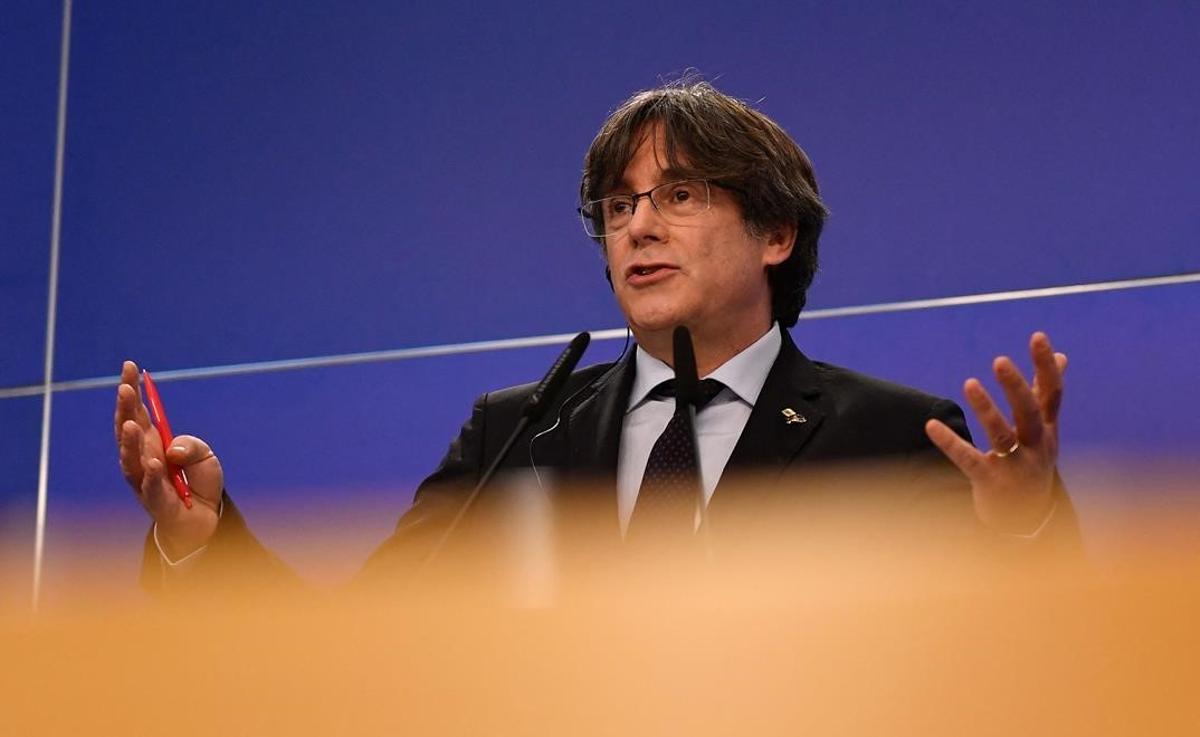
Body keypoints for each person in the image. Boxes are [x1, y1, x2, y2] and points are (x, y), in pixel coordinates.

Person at [115, 80, 1076, 589]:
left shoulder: (893, 437)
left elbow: (1022, 659)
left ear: (777, 232)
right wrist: (206, 543)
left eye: (680, 195)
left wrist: (1026, 526)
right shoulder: (512, 435)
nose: (638, 227)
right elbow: (368, 642)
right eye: (617, 207)